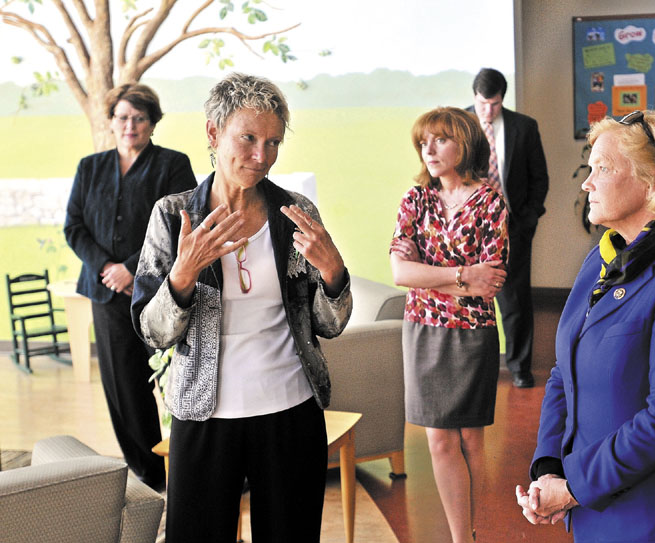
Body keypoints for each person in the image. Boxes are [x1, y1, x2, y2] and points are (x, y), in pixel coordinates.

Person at [131, 73, 352, 542]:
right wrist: (182, 276)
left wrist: (333, 273)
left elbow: (329, 324)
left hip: (291, 411)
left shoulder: (296, 212)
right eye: (248, 138)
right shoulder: (174, 217)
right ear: (213, 133)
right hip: (204, 416)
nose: (261, 156)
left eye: (272, 142)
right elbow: (152, 333)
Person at [515, 110, 655, 542]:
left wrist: (574, 488)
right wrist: (549, 467)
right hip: (597, 511)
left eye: (602, 169)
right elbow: (564, 372)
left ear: (654, 181)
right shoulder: (603, 257)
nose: (587, 183)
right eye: (590, 167)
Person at [64, 83, 196, 491]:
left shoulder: (173, 164)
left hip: (160, 292)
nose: (130, 125)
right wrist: (107, 267)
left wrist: (129, 268)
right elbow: (74, 226)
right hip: (106, 295)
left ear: (153, 123)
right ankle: (150, 476)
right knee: (124, 390)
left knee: (181, 380)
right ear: (111, 122)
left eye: (139, 118)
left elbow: (181, 224)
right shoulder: (90, 167)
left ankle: (193, 469)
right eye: (122, 117)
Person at [390, 106, 508, 543]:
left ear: (463, 141)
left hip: (473, 331)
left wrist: (434, 277)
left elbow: (490, 283)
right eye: (424, 142)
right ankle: (463, 538)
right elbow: (401, 273)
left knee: (471, 442)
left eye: (439, 139)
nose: (429, 148)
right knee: (440, 441)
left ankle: (476, 530)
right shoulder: (415, 199)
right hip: (423, 328)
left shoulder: (490, 200)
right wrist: (462, 276)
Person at [466, 67, 548, 388]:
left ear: (503, 98)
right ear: (474, 97)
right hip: (468, 229)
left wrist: (527, 222)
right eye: (483, 103)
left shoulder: (524, 128)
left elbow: (539, 178)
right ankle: (475, 368)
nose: (488, 111)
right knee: (470, 300)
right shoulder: (459, 124)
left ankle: (519, 367)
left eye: (495, 104)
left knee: (515, 300)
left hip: (512, 227)